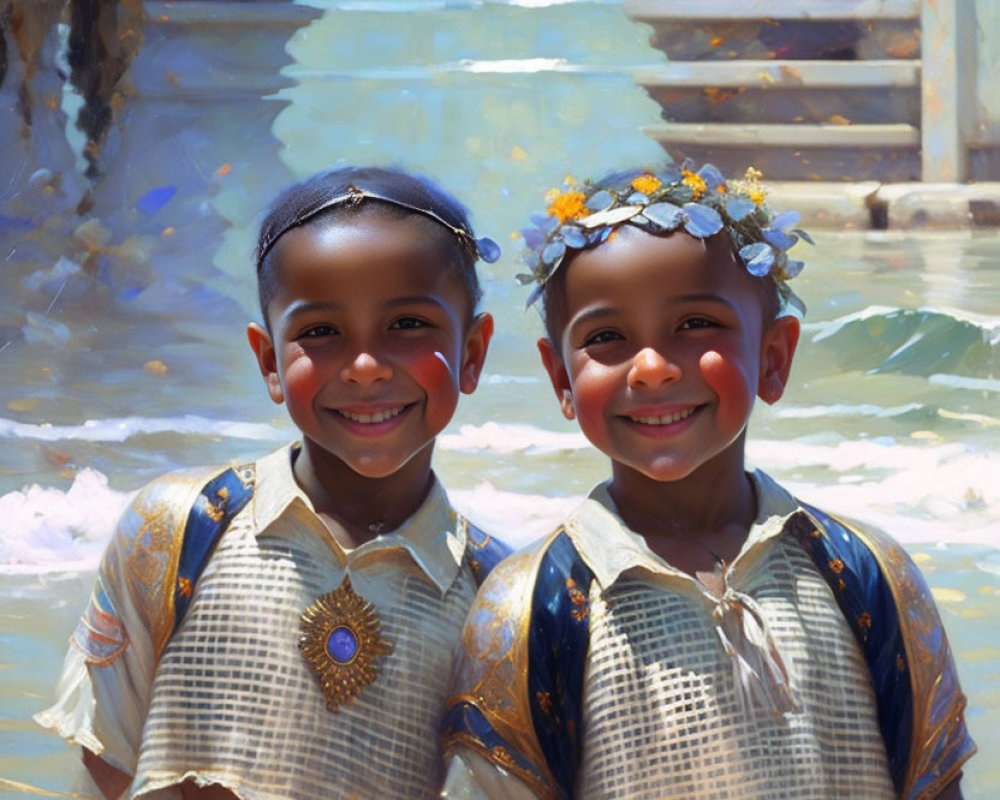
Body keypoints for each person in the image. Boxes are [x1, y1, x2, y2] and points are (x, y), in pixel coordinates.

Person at [441, 164, 975, 800]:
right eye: (606, 337)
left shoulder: (865, 573)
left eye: (695, 324)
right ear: (560, 379)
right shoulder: (531, 605)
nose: (653, 368)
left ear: (773, 357)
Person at [35, 165, 510, 800]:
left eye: (408, 325)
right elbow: (106, 763)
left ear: (473, 353)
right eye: (321, 333)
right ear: (270, 361)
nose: (365, 367)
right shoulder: (175, 529)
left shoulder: (499, 606)